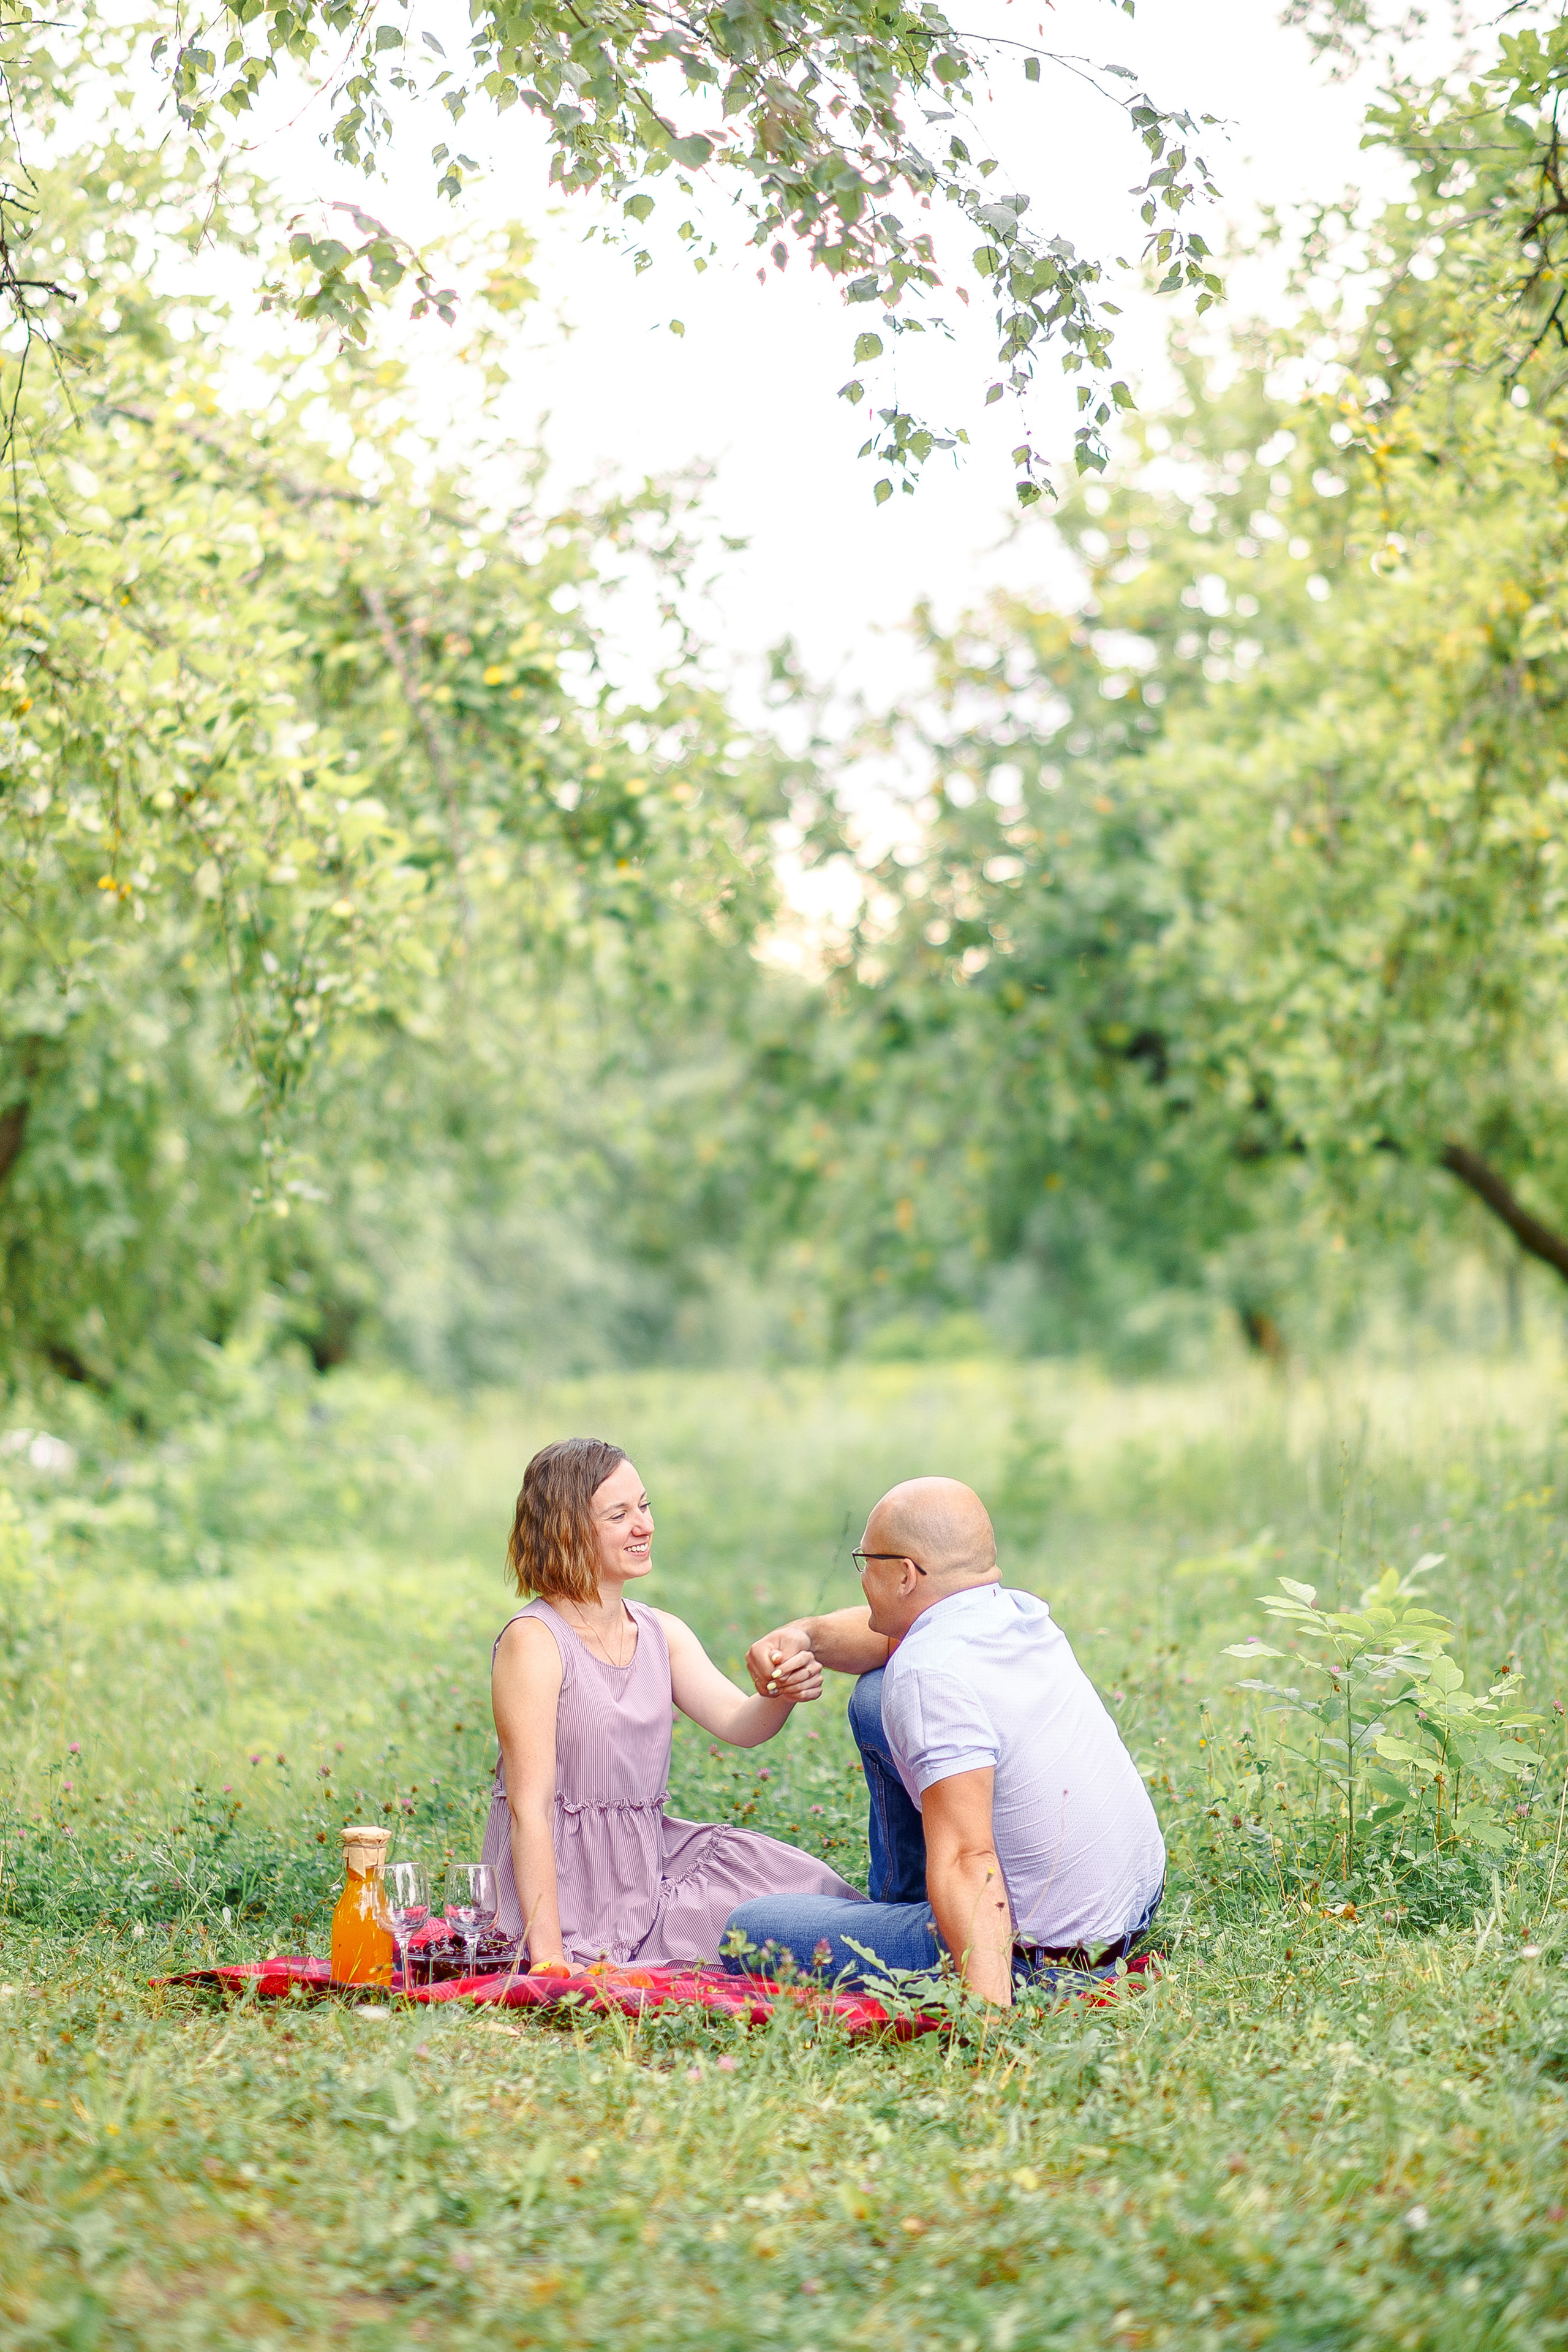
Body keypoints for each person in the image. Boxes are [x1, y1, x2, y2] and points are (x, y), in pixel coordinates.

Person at [726, 1476, 1165, 2005]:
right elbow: (883, 1636)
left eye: (866, 1560)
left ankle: (924, 1935)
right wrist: (805, 1636)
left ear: (906, 1574)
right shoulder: (1013, 1612)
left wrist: (989, 2030)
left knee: (748, 1929)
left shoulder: (927, 1674)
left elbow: (965, 1857)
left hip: (1046, 1959)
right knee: (873, 1698)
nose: (862, 1575)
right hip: (1127, 1913)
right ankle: (909, 1906)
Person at [481, 1436, 861, 1971]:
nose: (644, 1526)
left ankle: (938, 1948)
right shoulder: (534, 1642)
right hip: (560, 1883)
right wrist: (547, 1959)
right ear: (566, 1531)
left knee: (808, 1894)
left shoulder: (661, 1632)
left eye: (645, 1506)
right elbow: (530, 1810)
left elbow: (741, 1724)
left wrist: (779, 1690)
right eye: (619, 1515)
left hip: (646, 1867)